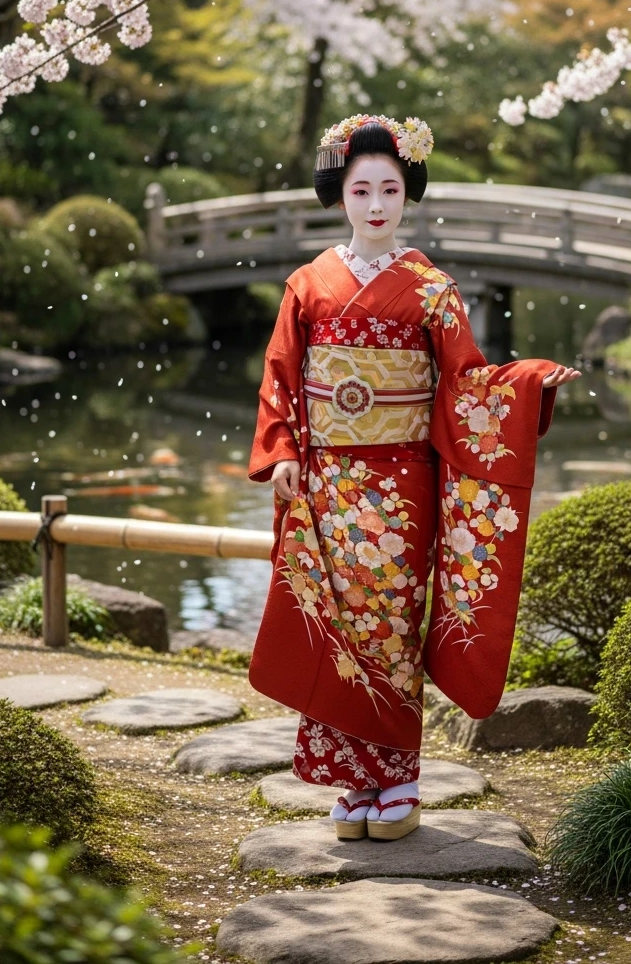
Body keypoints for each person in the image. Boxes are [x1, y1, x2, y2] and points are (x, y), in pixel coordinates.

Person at [247, 114, 580, 841]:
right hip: (329, 483)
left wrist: (526, 386)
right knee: (337, 619)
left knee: (391, 624)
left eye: (389, 189)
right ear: (340, 193)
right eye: (361, 188)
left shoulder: (431, 289)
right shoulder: (308, 284)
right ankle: (351, 779)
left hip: (401, 488)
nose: (375, 204)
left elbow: (465, 386)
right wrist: (282, 455)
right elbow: (280, 379)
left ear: (408, 195)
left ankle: (396, 776)